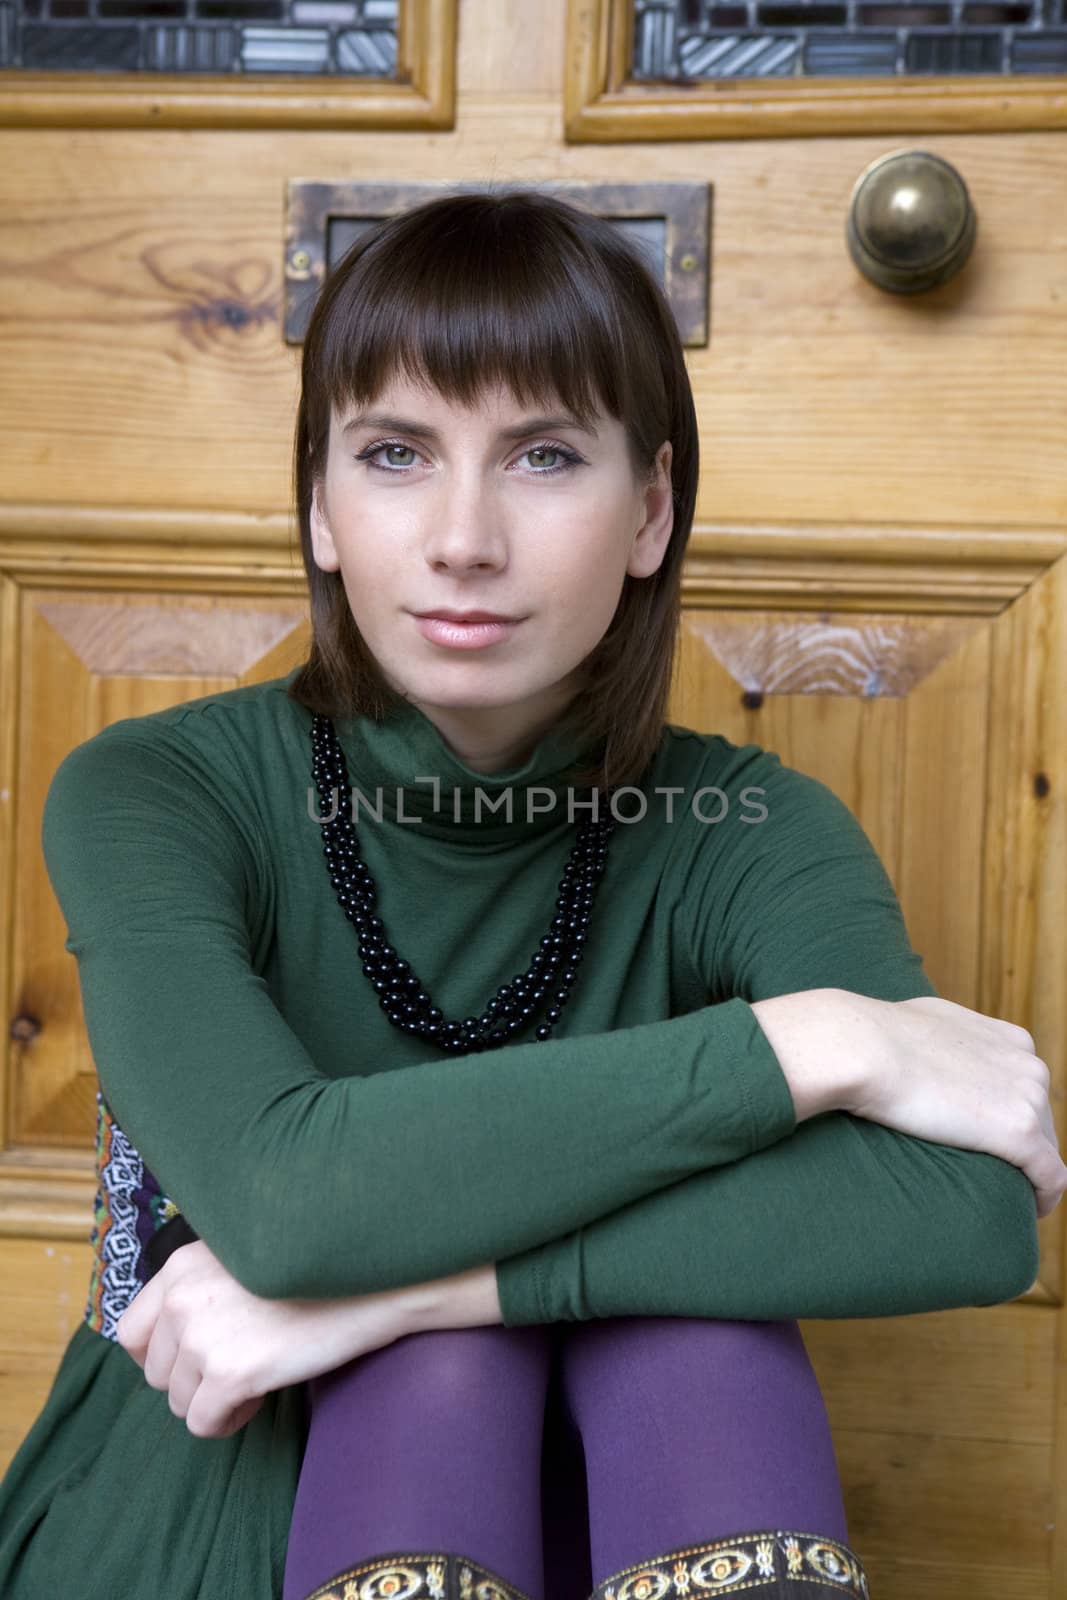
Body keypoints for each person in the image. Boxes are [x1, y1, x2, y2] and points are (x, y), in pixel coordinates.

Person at [0, 188, 1061, 1600]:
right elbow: (280, 1202)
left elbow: (967, 1213)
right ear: (319, 504)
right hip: (217, 1472)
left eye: (544, 456)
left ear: (651, 510)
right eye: (394, 454)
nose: (463, 539)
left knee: (695, 1347)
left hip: (625, 1498)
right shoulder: (159, 792)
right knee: (489, 1363)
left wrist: (409, 1294)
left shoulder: (746, 828)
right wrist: (827, 1043)